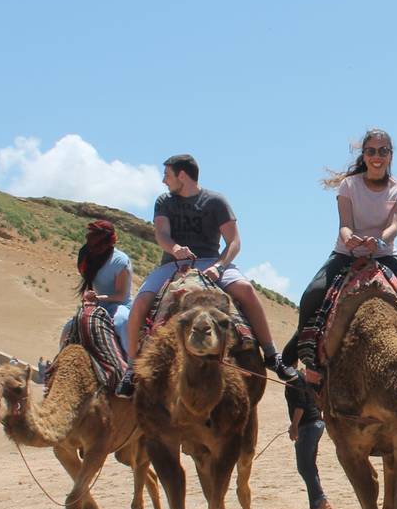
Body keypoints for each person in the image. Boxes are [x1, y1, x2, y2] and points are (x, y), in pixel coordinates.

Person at [119, 154, 299, 395]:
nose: (164, 181)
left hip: (212, 261)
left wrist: (220, 266)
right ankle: (131, 368)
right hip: (173, 264)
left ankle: (271, 354)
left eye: (167, 175)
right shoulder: (164, 201)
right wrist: (175, 249)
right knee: (141, 302)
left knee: (245, 289)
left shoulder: (215, 202)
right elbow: (161, 233)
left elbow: (234, 241)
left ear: (182, 175)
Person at [285, 128, 397, 376]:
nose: (377, 156)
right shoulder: (349, 185)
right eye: (371, 151)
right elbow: (345, 224)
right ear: (364, 155)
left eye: (383, 150)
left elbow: (394, 227)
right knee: (312, 294)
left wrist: (378, 242)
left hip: (384, 254)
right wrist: (351, 240)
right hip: (346, 253)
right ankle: (294, 352)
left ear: (390, 155)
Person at [75, 220, 133, 352]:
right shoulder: (86, 257)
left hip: (118, 305)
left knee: (122, 322)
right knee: (70, 327)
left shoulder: (120, 261)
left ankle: (130, 363)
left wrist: (97, 298)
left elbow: (120, 295)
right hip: (96, 304)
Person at [285, 383, 331, 509]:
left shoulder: (293, 379)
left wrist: (294, 426)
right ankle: (317, 503)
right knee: (309, 465)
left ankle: (321, 502)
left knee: (304, 466)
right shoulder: (303, 378)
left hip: (308, 426)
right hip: (316, 423)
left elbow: (300, 406)